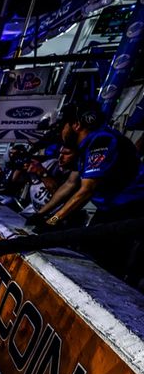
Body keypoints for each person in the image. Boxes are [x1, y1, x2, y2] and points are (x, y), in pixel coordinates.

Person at [32, 99, 144, 280]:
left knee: (104, 268)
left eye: (63, 126)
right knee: (87, 254)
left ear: (76, 125)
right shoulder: (86, 146)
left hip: (131, 210)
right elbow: (70, 184)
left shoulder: (102, 140)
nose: (62, 132)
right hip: (111, 209)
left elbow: (86, 191)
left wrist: (52, 221)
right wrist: (40, 214)